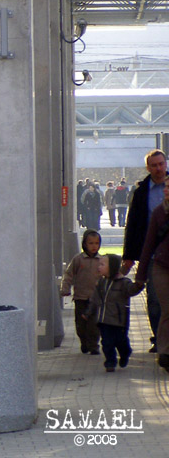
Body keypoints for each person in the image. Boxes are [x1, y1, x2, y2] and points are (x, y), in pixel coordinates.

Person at [121, 149, 167, 352]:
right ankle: (160, 340)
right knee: (155, 300)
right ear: (148, 168)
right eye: (154, 165)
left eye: (161, 164)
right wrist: (129, 256)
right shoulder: (141, 192)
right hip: (153, 254)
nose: (159, 169)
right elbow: (133, 225)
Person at [84, 253, 143, 372]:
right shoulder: (101, 282)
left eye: (102, 264)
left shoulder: (123, 282)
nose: (99, 267)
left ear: (112, 267)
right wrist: (88, 312)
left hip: (119, 320)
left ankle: (125, 353)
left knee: (121, 341)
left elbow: (131, 290)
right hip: (104, 320)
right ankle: (110, 362)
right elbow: (95, 299)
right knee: (107, 343)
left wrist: (139, 284)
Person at [134, 182, 169, 371]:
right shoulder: (159, 212)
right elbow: (148, 245)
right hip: (162, 267)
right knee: (167, 309)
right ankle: (165, 352)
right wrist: (140, 275)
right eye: (166, 187)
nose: (166, 190)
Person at [60, 229, 104, 355]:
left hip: (96, 299)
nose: (94, 246)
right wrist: (65, 289)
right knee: (81, 324)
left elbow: (107, 277)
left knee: (94, 324)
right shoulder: (78, 259)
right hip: (80, 297)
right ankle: (84, 341)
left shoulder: (101, 260)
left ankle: (94, 344)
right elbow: (68, 275)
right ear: (84, 244)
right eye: (90, 243)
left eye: (96, 243)